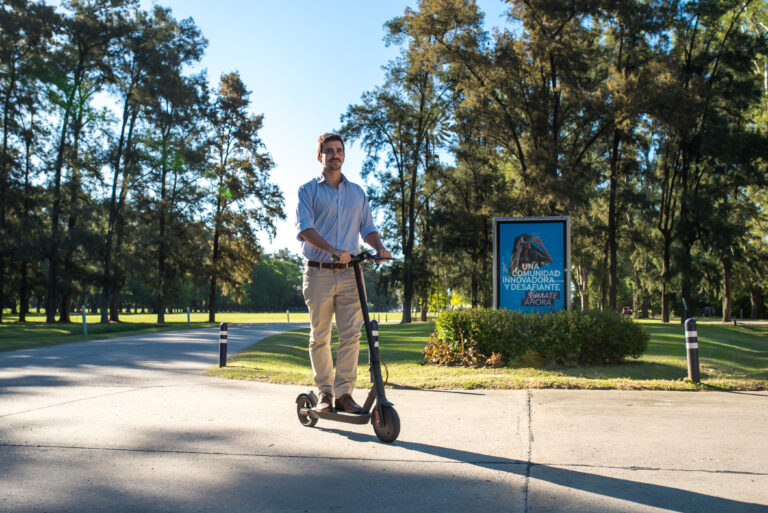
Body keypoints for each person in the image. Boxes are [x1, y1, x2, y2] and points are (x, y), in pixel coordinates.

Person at [296, 133, 391, 413]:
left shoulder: (357, 192)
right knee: (320, 335)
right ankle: (324, 392)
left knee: (351, 335)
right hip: (318, 273)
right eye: (329, 151)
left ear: (344, 155)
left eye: (339, 150)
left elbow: (368, 229)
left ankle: (344, 394)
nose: (335, 155)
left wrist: (380, 248)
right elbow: (304, 229)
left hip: (351, 274)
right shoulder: (307, 190)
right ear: (320, 157)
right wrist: (333, 249)